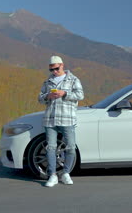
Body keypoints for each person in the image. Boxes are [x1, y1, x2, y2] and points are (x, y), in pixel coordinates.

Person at [38, 55, 84, 187]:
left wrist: (64, 94)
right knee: (50, 148)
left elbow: (80, 95)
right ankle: (52, 175)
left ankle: (66, 173)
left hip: (67, 118)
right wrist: (48, 96)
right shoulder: (47, 82)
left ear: (62, 65)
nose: (54, 72)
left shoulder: (73, 80)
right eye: (51, 70)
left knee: (70, 147)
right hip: (50, 120)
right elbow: (40, 98)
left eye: (56, 69)